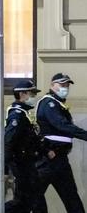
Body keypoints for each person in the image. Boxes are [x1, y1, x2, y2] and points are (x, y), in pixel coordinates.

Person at [0, 80, 46, 213]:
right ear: (22, 94)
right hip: (22, 163)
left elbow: (30, 139)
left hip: (28, 162)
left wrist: (45, 150)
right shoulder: (17, 115)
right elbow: (8, 142)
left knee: (30, 201)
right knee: (24, 201)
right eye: (31, 93)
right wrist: (3, 170)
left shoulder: (24, 114)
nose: (34, 96)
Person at [35, 73, 87, 213]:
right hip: (48, 159)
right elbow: (62, 125)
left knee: (71, 197)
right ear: (52, 86)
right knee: (27, 199)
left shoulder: (59, 104)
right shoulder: (49, 103)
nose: (66, 87)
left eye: (67, 85)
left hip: (60, 159)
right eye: (62, 84)